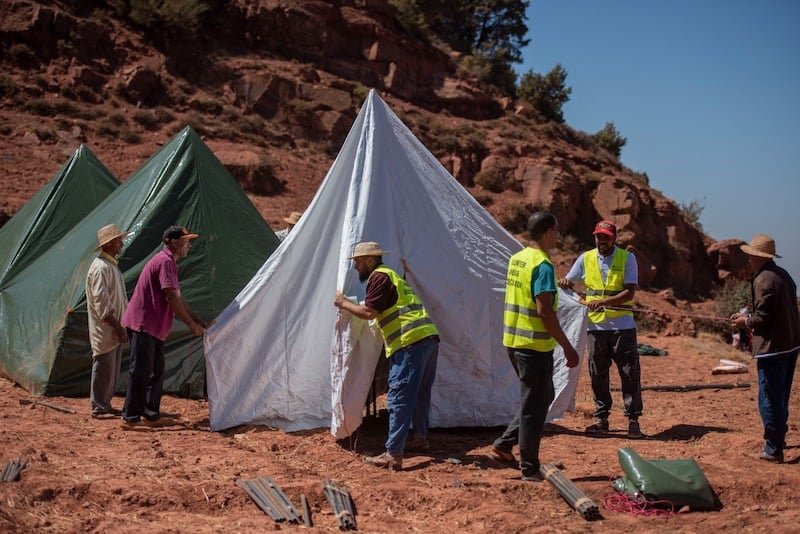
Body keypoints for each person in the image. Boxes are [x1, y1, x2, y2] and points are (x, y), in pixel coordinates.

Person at [490, 212, 580, 481]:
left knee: (540, 397)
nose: (558, 236)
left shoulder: (517, 259)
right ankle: (529, 467)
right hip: (533, 347)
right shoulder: (542, 265)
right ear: (547, 232)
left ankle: (505, 444)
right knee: (534, 407)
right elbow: (544, 312)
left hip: (513, 342)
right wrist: (568, 347)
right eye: (556, 231)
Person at [334, 241, 439, 470]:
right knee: (420, 394)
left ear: (371, 260)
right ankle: (420, 439)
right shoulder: (392, 276)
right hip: (427, 338)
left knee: (399, 397)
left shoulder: (379, 278)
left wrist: (343, 303)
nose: (356, 267)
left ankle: (393, 454)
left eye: (359, 262)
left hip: (409, 341)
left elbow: (368, 312)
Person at [558, 219, 644, 438]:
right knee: (598, 373)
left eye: (605, 237)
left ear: (614, 238)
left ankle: (633, 419)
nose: (601, 240)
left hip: (622, 327)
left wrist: (604, 302)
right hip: (596, 327)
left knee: (629, 373)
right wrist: (566, 283)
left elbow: (629, 293)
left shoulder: (627, 258)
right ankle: (601, 418)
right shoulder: (585, 258)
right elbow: (569, 281)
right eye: (598, 236)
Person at [121, 226, 207, 425]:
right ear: (173, 243)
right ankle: (130, 418)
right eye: (186, 241)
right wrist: (191, 326)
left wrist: (197, 321)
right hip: (144, 324)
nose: (189, 245)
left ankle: (150, 414)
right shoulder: (165, 262)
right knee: (141, 371)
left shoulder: (169, 263)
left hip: (153, 327)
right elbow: (171, 297)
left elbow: (178, 297)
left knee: (155, 370)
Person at [730, 234, 799, 463]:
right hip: (790, 345)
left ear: (758, 257)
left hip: (773, 349)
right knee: (780, 397)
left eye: (750, 256)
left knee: (769, 399)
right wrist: (748, 316)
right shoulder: (784, 275)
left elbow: (763, 318)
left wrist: (744, 322)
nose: (748, 260)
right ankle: (778, 439)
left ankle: (772, 449)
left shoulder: (763, 280)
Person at [86, 224, 129, 418]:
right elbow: (101, 304)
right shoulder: (101, 268)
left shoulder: (110, 266)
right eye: (119, 240)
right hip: (106, 328)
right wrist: (117, 326)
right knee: (103, 365)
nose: (122, 243)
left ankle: (105, 403)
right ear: (110, 243)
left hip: (114, 326)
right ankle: (99, 406)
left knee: (111, 368)